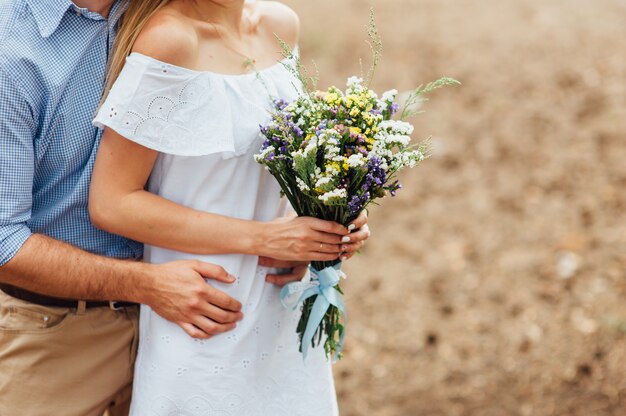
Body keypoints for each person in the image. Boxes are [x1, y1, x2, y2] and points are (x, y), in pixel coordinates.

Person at [0, 0, 368, 415]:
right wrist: (149, 282)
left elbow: (260, 162)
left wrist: (328, 214)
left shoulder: (267, 24)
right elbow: (4, 243)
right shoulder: (13, 49)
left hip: (225, 303)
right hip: (62, 328)